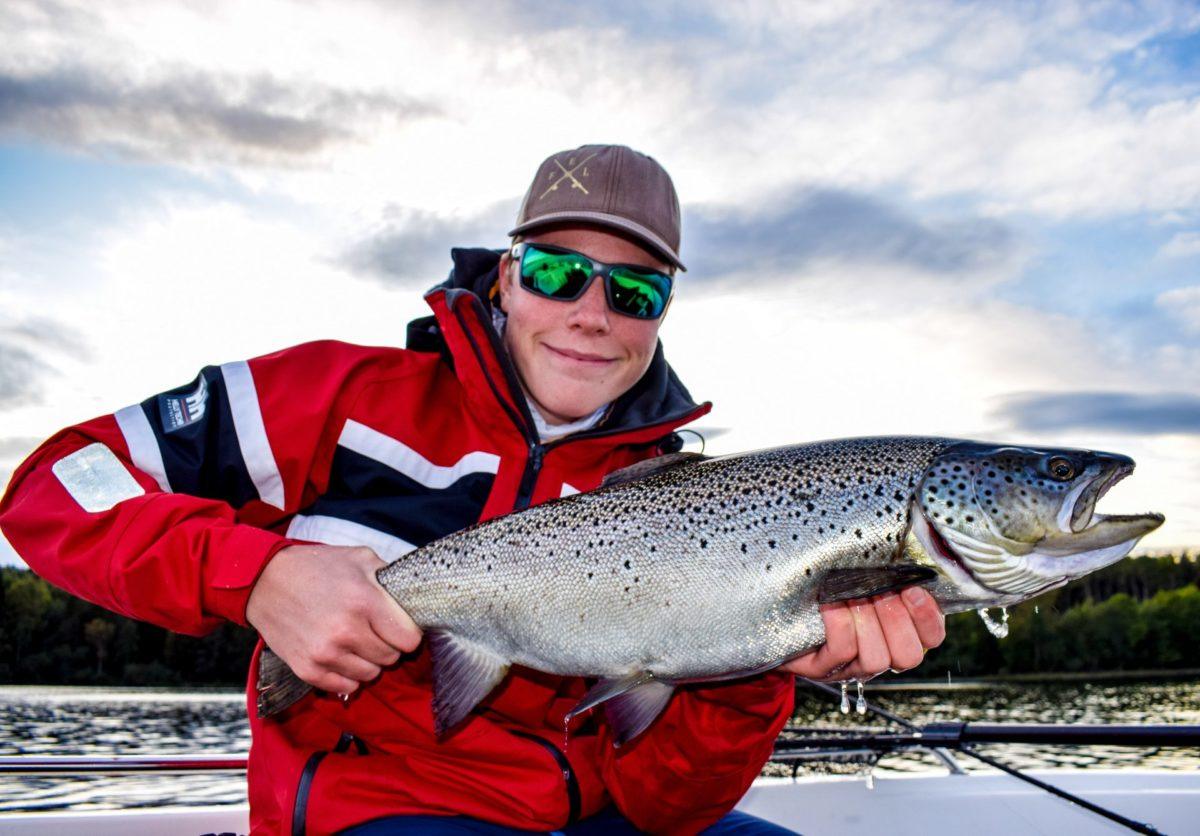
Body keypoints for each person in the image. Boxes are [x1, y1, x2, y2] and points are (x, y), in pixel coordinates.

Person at [0, 144, 945, 835]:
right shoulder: (334, 394)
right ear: (505, 278)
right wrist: (255, 574)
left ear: (662, 315)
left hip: (599, 816)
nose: (589, 313)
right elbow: (53, 488)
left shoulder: (688, 496)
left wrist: (760, 665)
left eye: (634, 291)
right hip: (383, 809)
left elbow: (669, 808)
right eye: (557, 272)